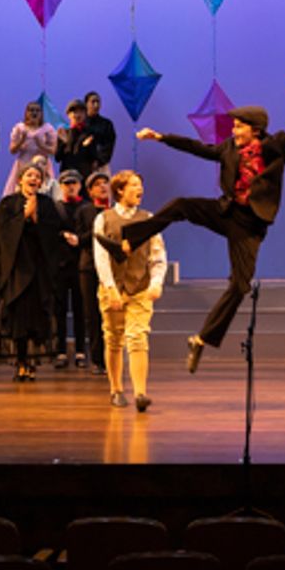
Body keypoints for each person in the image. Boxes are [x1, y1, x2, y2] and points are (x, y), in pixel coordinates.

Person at [126, 70, 285, 373]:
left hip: (251, 224)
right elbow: (200, 148)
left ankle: (200, 340)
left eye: (239, 127)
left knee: (240, 287)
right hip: (227, 212)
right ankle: (129, 239)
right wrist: (161, 138)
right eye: (234, 126)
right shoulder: (228, 149)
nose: (234, 131)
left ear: (255, 129)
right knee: (181, 205)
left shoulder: (274, 148)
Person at [93, 170, 168, 411]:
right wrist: (110, 288)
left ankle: (140, 392)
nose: (139, 189)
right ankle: (116, 389)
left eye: (140, 185)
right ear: (120, 190)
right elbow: (101, 257)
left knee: (138, 338)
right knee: (114, 339)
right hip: (113, 288)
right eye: (134, 185)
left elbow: (158, 256)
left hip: (139, 288)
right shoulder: (104, 218)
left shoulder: (149, 219)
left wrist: (156, 282)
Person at [0, 162, 62, 381]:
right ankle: (20, 362)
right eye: (30, 175)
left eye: (38, 177)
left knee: (36, 318)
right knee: (17, 318)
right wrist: (22, 217)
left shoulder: (47, 204)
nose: (34, 179)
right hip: (15, 269)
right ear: (20, 179)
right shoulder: (7, 204)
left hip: (38, 270)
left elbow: (52, 234)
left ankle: (31, 364)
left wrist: (36, 218)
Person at [76, 171, 112, 375]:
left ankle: (111, 357)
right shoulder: (84, 211)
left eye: (105, 184)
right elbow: (79, 238)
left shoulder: (115, 211)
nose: (102, 187)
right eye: (97, 185)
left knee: (111, 315)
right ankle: (97, 359)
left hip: (111, 267)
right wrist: (98, 229)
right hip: (89, 267)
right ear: (90, 191)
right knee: (92, 314)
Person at [51, 170, 87, 368]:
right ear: (61, 186)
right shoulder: (56, 208)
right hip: (61, 266)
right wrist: (63, 236)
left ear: (79, 186)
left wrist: (79, 239)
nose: (70, 187)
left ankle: (81, 351)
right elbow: (49, 232)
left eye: (74, 183)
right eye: (66, 184)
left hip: (81, 264)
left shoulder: (86, 207)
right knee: (60, 310)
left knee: (81, 310)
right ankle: (61, 351)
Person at [2, 100, 57, 198]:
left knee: (44, 191)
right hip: (24, 163)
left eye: (37, 110)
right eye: (31, 110)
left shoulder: (47, 128)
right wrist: (21, 140)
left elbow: (53, 151)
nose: (34, 113)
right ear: (26, 113)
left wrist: (41, 145)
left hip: (42, 163)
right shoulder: (20, 128)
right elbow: (12, 150)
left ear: (41, 113)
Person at [56, 99, 101, 182]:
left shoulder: (90, 133)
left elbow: (94, 157)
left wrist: (86, 146)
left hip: (84, 177)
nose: (77, 115)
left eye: (81, 112)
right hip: (66, 177)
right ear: (68, 115)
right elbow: (57, 157)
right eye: (74, 112)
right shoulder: (64, 132)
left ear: (85, 114)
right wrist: (64, 143)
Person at [84, 91, 117, 174]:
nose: (96, 105)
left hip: (101, 166)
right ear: (86, 104)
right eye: (93, 102)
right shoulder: (81, 124)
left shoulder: (106, 124)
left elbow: (109, 144)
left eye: (98, 102)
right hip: (82, 166)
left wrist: (98, 161)